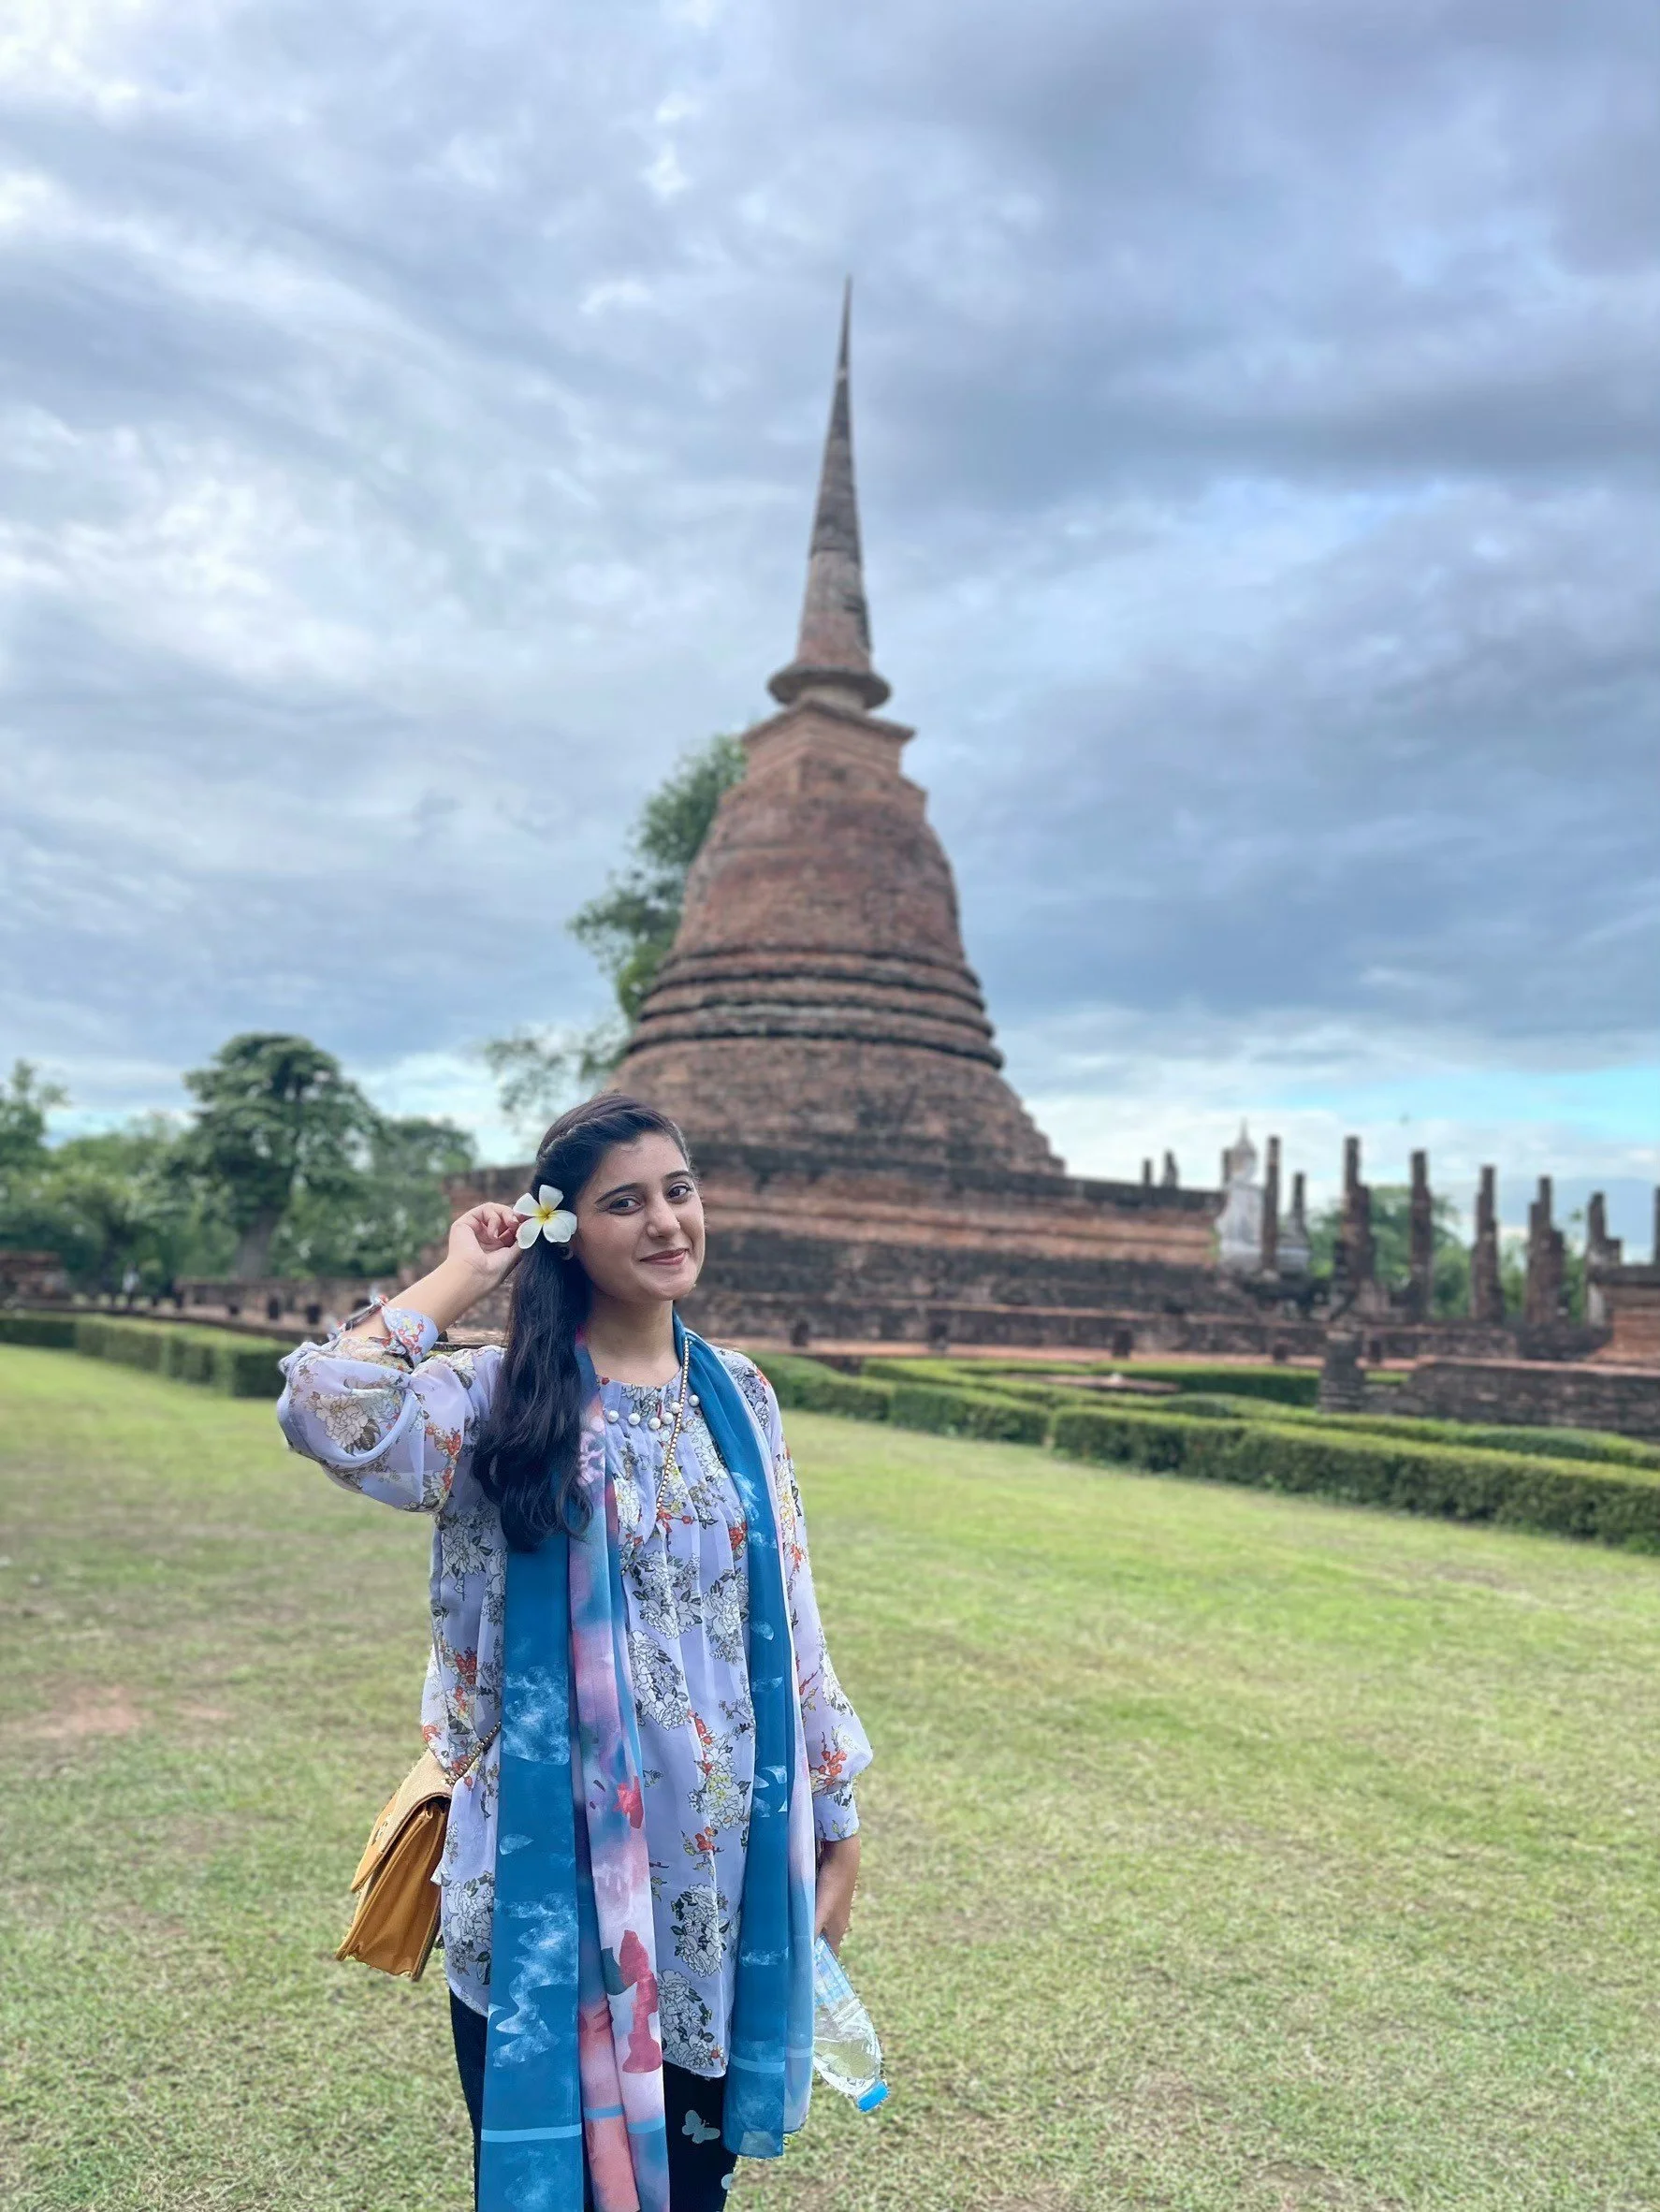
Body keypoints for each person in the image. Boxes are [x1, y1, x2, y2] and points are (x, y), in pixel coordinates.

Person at [276, 1095, 870, 2211]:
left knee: (696, 2185)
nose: (665, 1224)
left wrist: (835, 1825)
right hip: (546, 1886)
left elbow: (794, 1615)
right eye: (623, 1203)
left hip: (716, 1887)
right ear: (568, 1231)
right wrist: (464, 1271)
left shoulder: (737, 1396)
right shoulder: (499, 1398)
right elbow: (327, 1409)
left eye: (678, 1191)